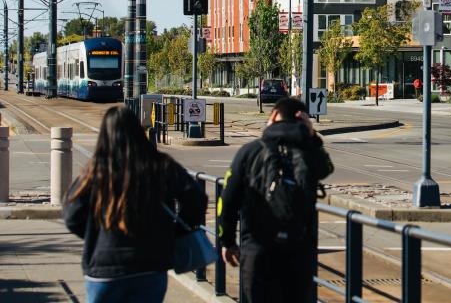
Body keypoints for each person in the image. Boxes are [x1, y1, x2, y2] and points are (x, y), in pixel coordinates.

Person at [63, 106, 207, 303]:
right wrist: (175, 231)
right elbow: (195, 196)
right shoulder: (160, 164)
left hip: (104, 268)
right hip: (149, 266)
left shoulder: (95, 171)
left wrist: (95, 233)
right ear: (138, 131)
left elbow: (72, 214)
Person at [219, 97, 334, 302]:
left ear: (273, 115)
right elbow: (326, 168)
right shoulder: (309, 153)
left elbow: (227, 199)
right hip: (299, 253)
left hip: (257, 251)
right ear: (303, 120)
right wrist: (312, 136)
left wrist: (227, 241)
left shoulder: (251, 151)